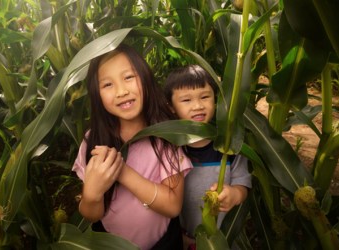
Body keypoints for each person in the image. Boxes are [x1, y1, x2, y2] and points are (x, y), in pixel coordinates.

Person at [72, 44, 193, 250]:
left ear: (145, 78)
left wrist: (122, 172)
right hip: (111, 245)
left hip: (163, 244)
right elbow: (92, 215)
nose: (121, 91)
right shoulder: (92, 141)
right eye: (108, 84)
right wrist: (91, 196)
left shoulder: (165, 136)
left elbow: (173, 206)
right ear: (97, 94)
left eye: (129, 77)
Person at [163, 64, 252, 249]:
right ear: (170, 107)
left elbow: (243, 184)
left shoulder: (230, 145)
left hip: (224, 238)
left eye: (205, 97)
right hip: (182, 239)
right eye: (186, 100)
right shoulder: (168, 150)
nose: (198, 106)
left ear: (215, 99)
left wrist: (234, 194)